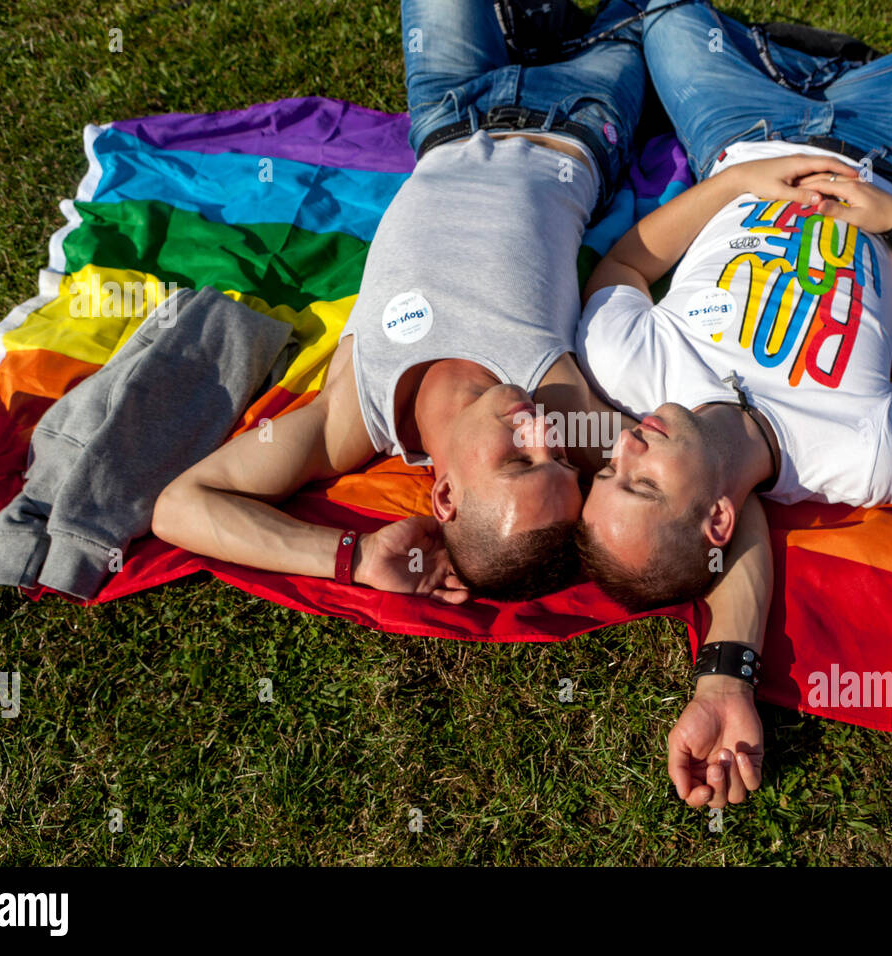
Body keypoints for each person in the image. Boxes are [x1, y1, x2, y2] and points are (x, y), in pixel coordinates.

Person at [152, 0, 651, 602]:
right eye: (564, 462)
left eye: (520, 462)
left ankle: (540, 22)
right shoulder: (563, 404)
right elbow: (710, 492)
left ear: (445, 497)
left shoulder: (353, 415)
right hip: (578, 115)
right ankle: (546, 23)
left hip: (446, 112)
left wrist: (354, 556)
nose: (544, 434)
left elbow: (180, 506)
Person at [576, 0, 892, 615]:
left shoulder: (623, 368)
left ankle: (802, 70)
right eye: (643, 485)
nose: (624, 450)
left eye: (609, 473)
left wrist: (735, 184)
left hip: (739, 134)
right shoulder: (862, 460)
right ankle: (829, 70)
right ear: (719, 519)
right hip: (891, 159)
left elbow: (625, 266)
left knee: (668, 15)